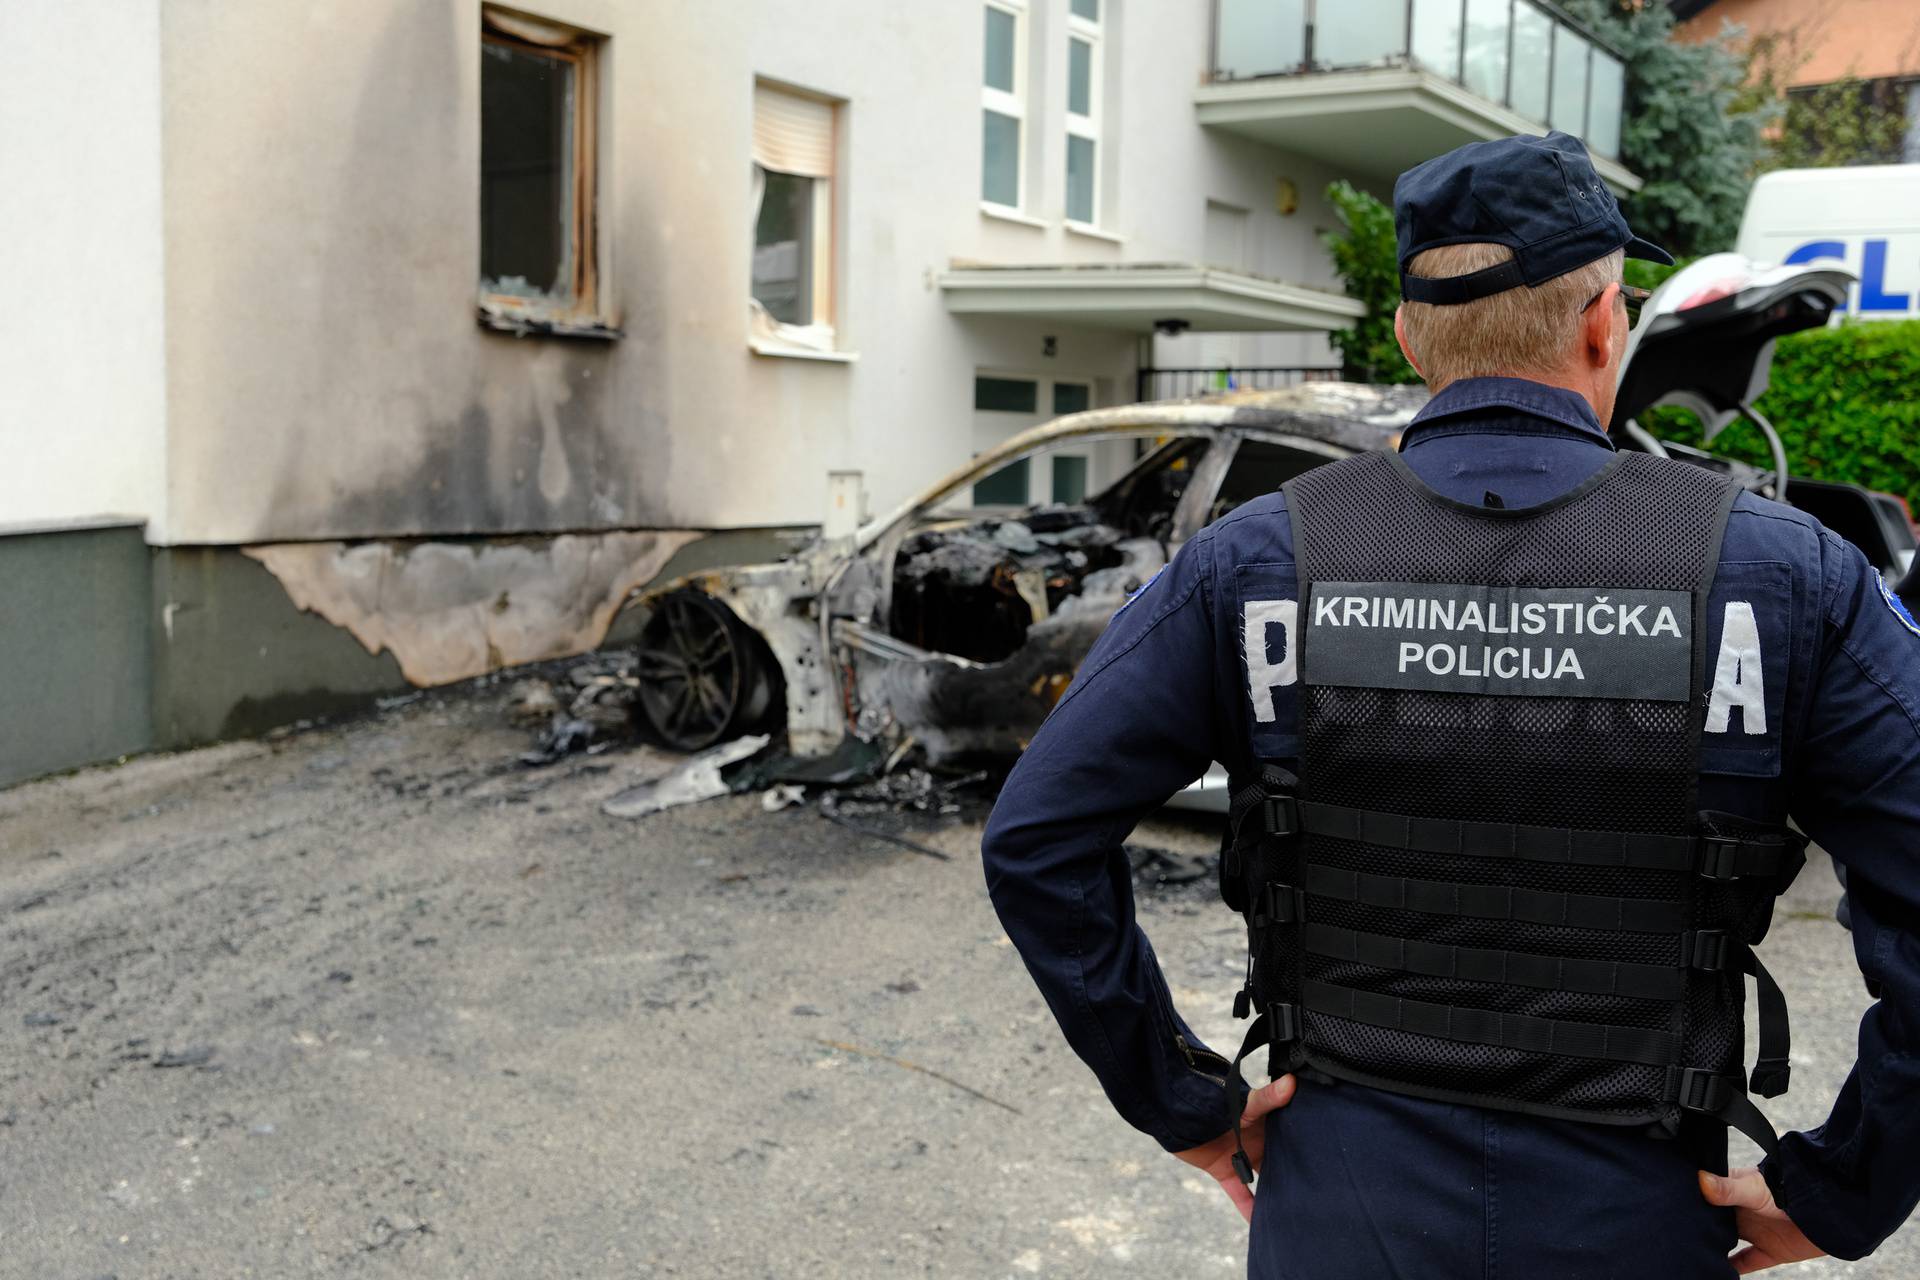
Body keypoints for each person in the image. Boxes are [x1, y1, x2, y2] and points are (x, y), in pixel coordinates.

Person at [980, 131, 1920, 1278]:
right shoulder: (1784, 574)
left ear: (1410, 337)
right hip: (1636, 1219)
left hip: (1340, 1215)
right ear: (1601, 323)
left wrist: (1182, 1095)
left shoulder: (1257, 560)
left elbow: (1036, 837)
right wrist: (1842, 1188)